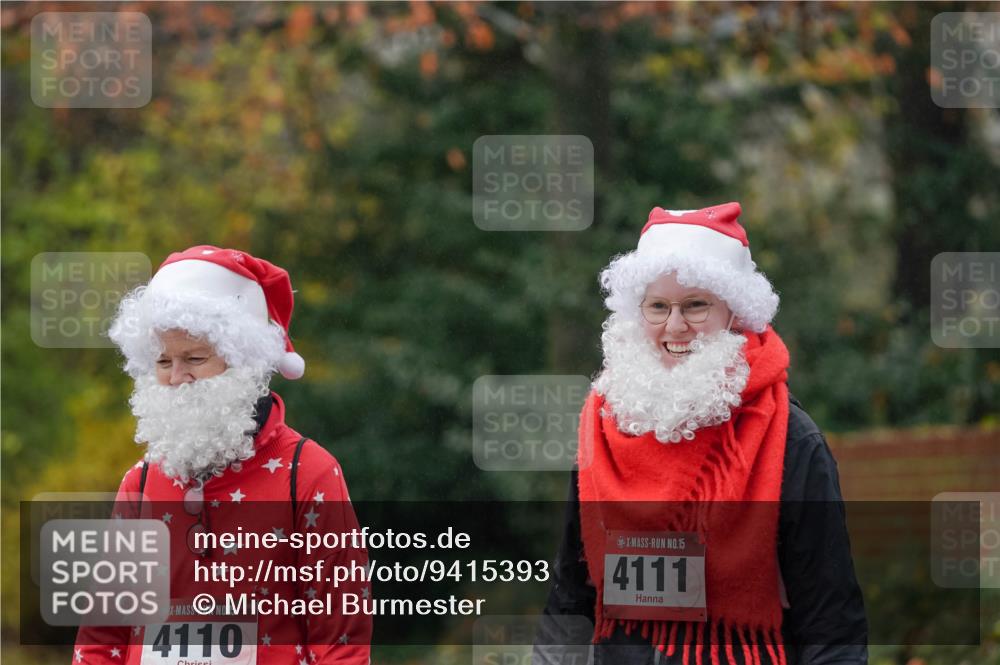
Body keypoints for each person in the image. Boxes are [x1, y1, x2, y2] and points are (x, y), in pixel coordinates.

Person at [536, 203, 868, 664]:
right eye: (658, 306)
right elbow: (570, 596)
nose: (674, 326)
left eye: (695, 305)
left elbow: (832, 625)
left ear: (735, 312)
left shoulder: (792, 439)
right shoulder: (602, 422)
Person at [72, 246, 372, 664]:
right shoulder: (139, 483)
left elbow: (341, 639)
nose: (177, 378)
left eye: (194, 358)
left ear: (242, 359)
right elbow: (102, 635)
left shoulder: (309, 473)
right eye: (163, 361)